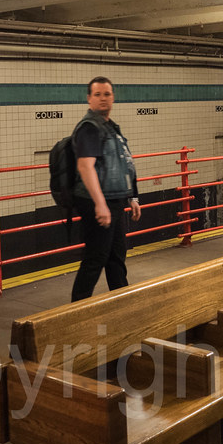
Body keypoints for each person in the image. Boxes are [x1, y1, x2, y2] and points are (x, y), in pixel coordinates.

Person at [70, 76, 141, 301]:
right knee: (95, 259)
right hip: (97, 202)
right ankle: (74, 312)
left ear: (113, 97)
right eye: (98, 94)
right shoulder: (89, 128)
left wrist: (132, 197)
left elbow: (123, 163)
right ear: (89, 98)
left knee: (116, 258)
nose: (103, 99)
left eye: (107, 94)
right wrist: (100, 204)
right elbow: (85, 166)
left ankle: (122, 304)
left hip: (116, 201)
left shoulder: (111, 127)